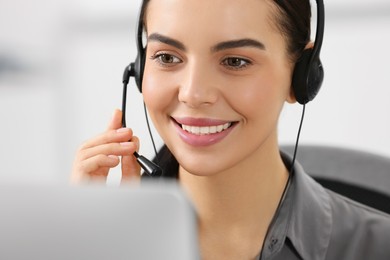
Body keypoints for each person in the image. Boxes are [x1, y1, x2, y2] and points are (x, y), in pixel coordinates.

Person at [71, 0, 390, 259]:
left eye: (235, 61)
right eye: (167, 57)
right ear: (140, 70)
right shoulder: (102, 241)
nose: (193, 94)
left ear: (301, 77)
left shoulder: (377, 248)